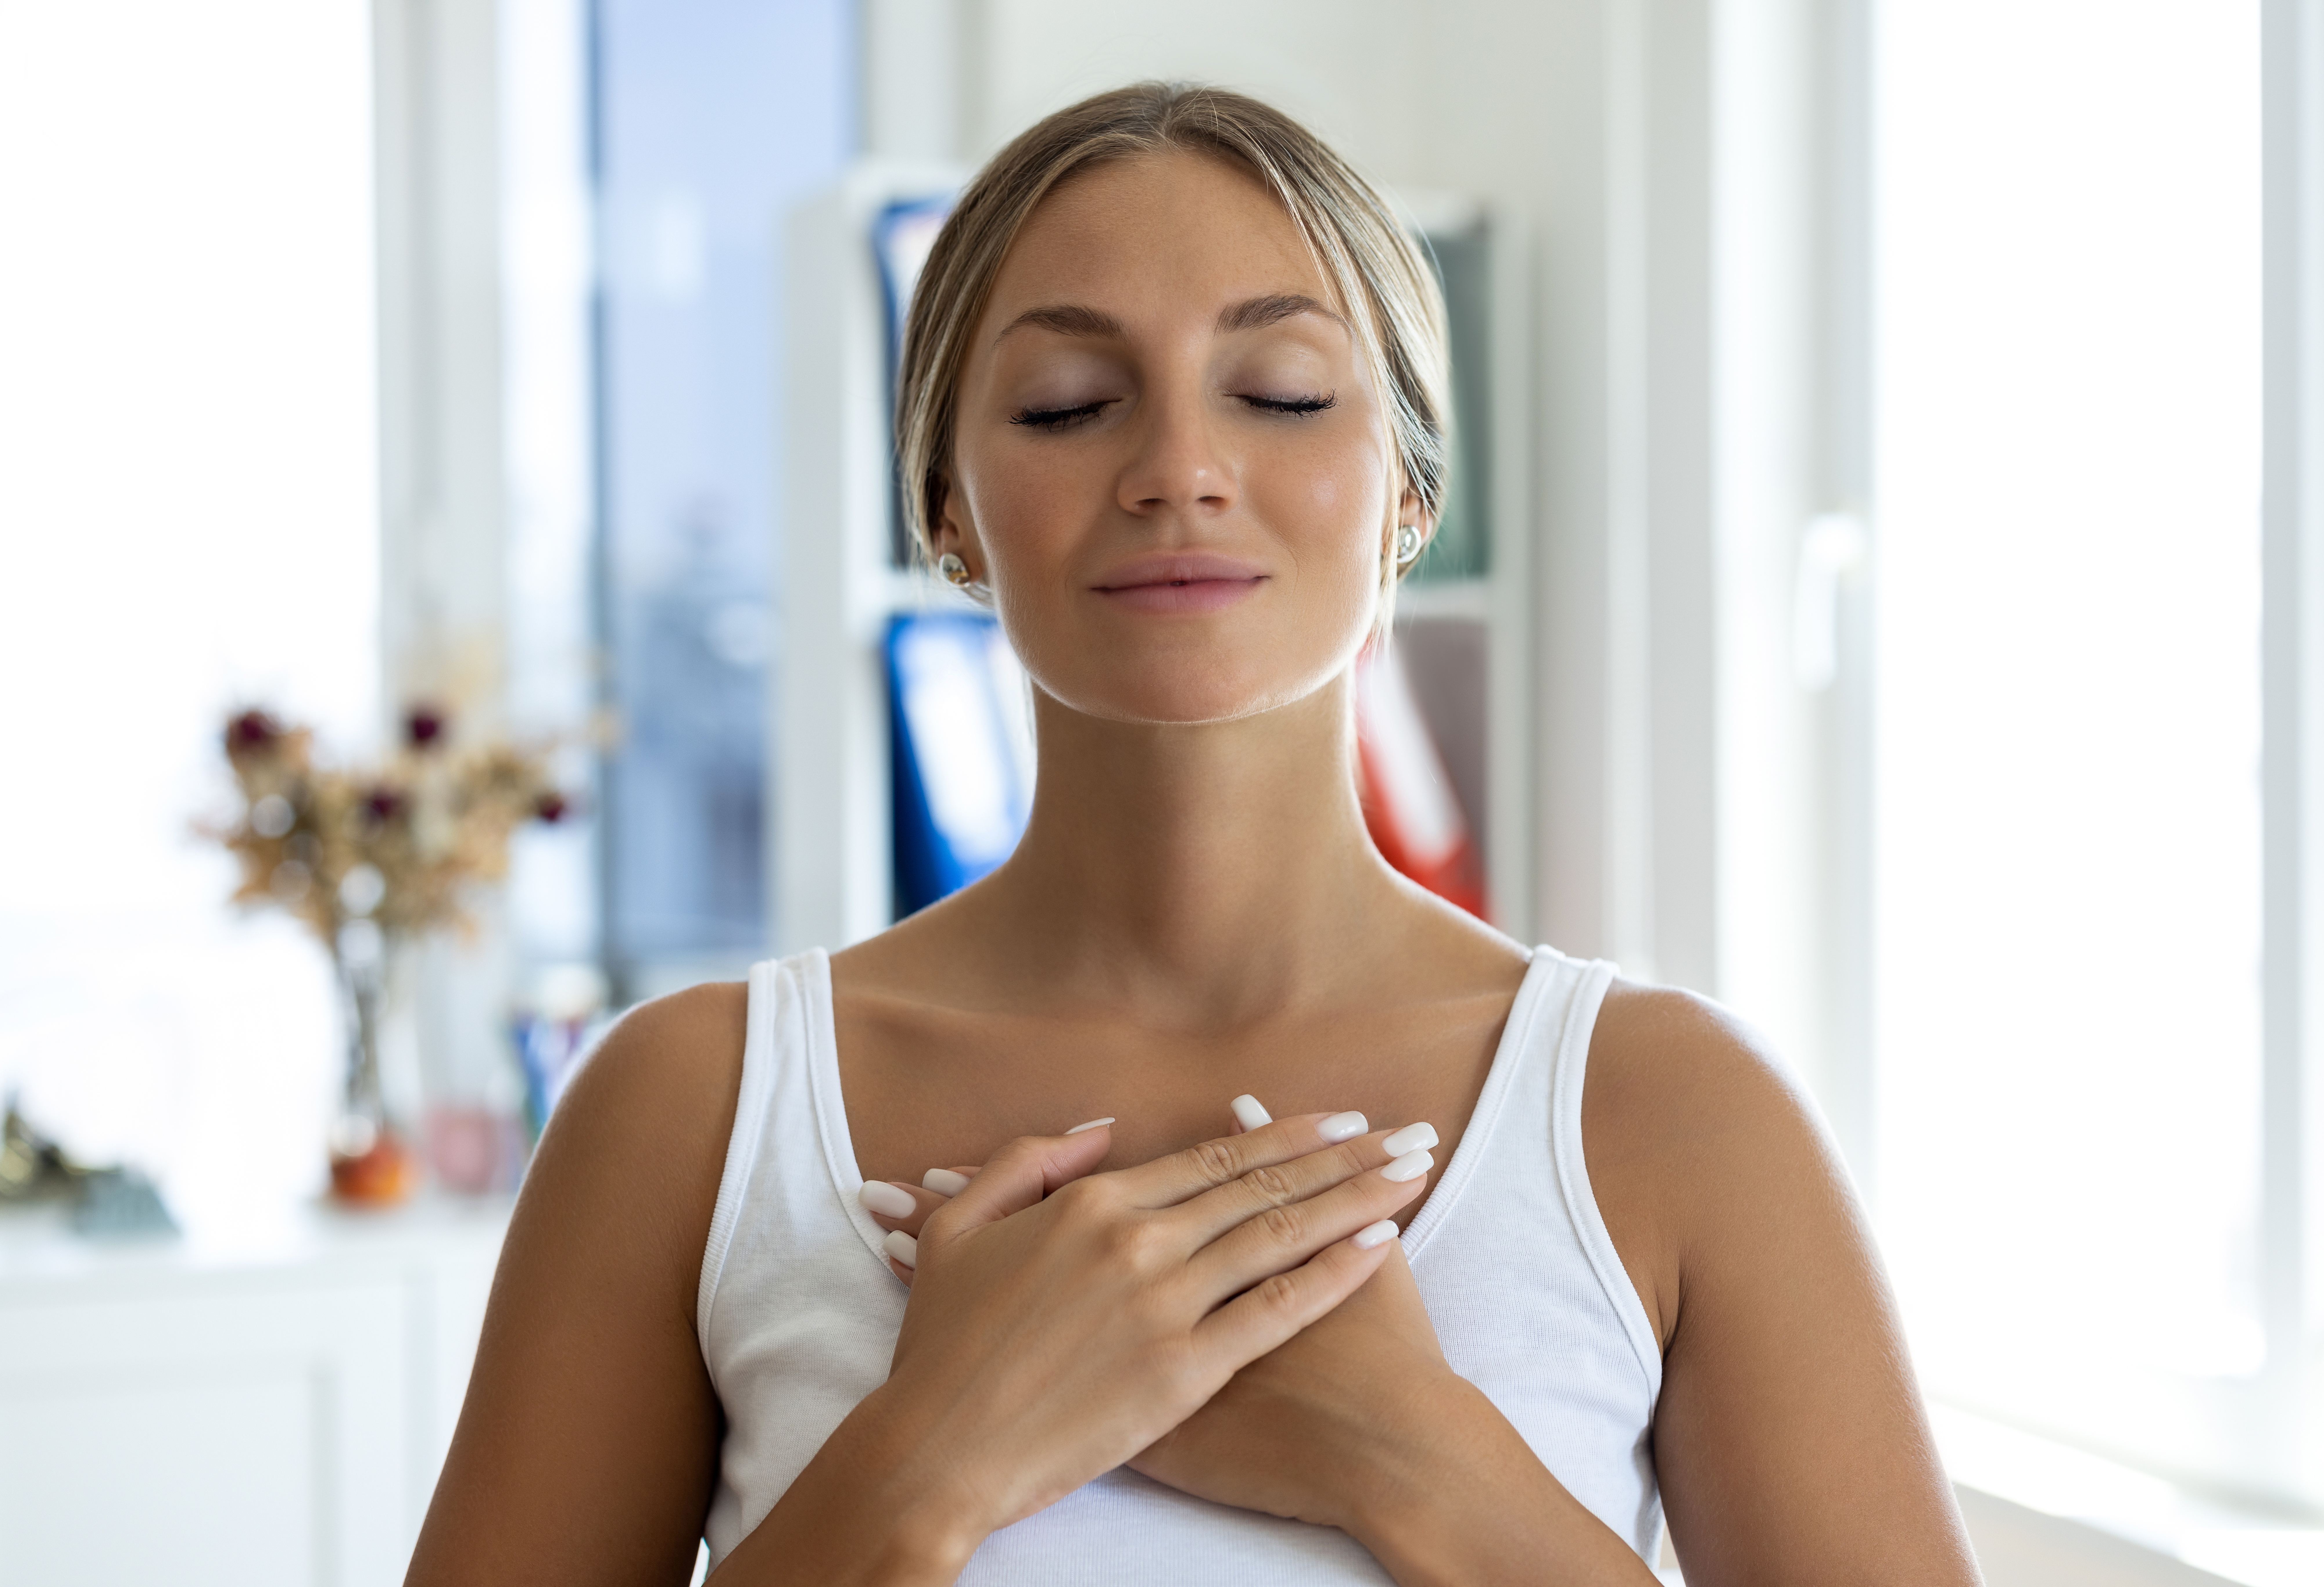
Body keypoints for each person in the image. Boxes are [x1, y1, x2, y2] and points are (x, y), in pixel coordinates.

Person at [406, 83, 1980, 1586]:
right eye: (1069, 405)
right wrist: (936, 1454)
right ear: (946, 510)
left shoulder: (1675, 1112)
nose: (1177, 471)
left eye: (1283, 394)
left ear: (1409, 497)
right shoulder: (688, 1112)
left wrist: (1415, 1455)